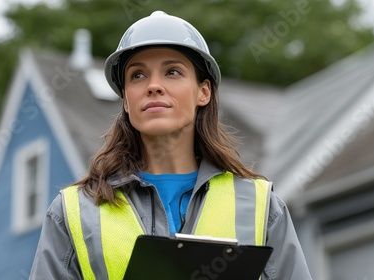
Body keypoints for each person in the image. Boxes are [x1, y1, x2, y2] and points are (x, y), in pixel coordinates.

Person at [30, 11, 312, 280]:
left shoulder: (261, 207)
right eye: (137, 75)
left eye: (172, 72)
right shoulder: (75, 211)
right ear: (126, 100)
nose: (153, 85)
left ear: (203, 92)